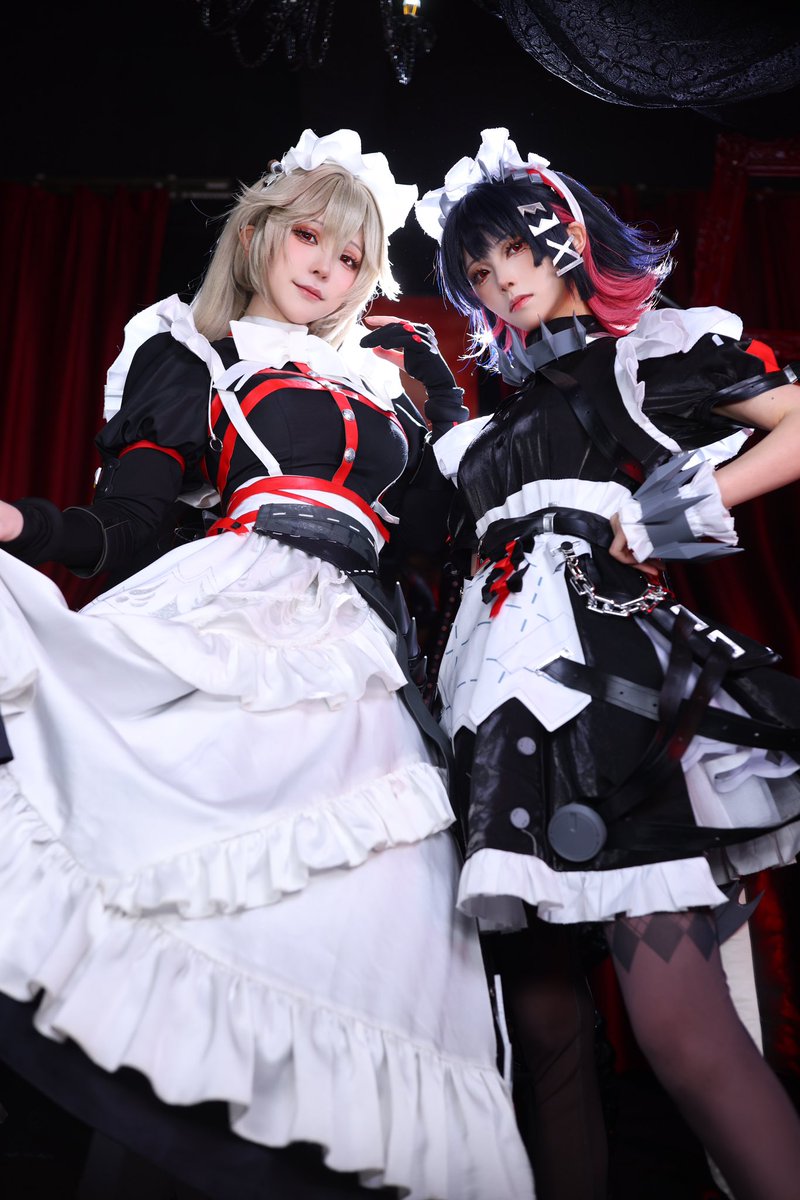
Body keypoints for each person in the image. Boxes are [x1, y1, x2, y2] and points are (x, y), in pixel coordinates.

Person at [0, 128, 536, 1200]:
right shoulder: (192, 354)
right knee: (194, 910)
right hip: (226, 614)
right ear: (256, 234)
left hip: (358, 661)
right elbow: (131, 526)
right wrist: (25, 526)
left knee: (361, 930)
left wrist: (460, 413)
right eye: (308, 238)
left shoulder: (389, 378)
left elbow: (446, 532)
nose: (326, 269)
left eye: (351, 257)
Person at [407, 127, 800, 1200]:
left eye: (513, 252)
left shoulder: (643, 358)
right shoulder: (488, 422)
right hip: (490, 707)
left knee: (677, 1030)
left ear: (565, 238)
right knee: (539, 1027)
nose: (500, 280)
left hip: (606, 688)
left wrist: (676, 510)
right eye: (478, 270)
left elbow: (794, 419)